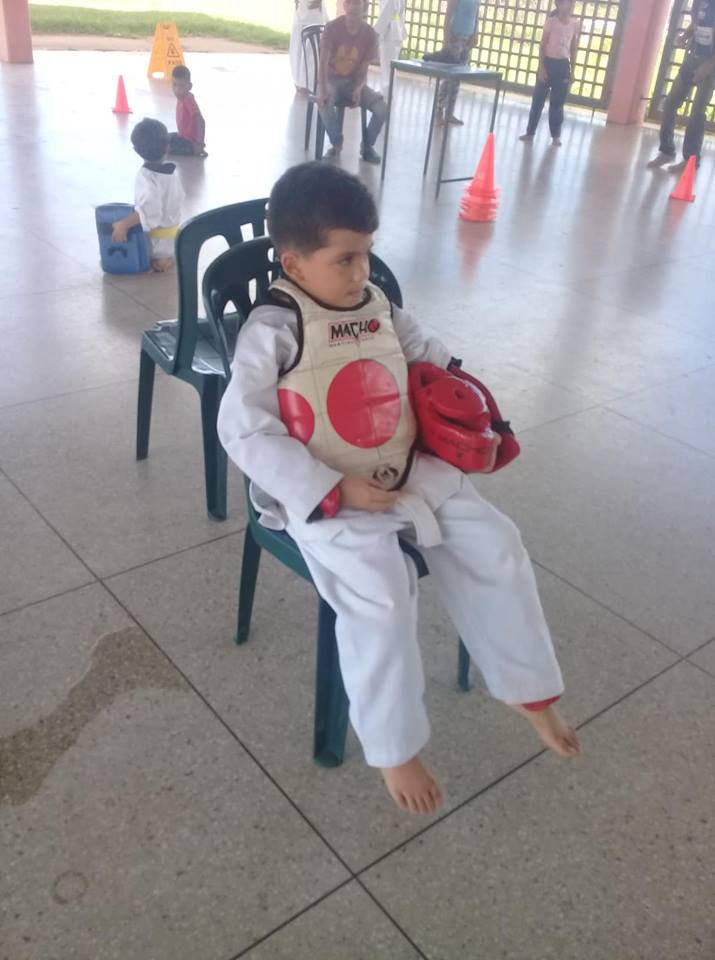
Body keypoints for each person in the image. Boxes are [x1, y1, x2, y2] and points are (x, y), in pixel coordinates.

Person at [217, 162, 580, 816]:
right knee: (383, 594)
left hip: (406, 466)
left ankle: (530, 693)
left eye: (367, 254)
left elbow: (432, 358)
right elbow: (242, 431)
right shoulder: (274, 329)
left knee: (498, 543)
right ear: (294, 265)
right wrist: (333, 487)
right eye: (345, 259)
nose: (361, 272)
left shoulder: (378, 306)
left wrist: (470, 411)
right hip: (327, 492)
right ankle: (394, 748)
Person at [647, 0, 715, 172]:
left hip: (711, 65)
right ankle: (666, 151)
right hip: (692, 58)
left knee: (697, 113)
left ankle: (691, 160)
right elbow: (697, 23)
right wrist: (685, 36)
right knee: (670, 103)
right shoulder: (699, 3)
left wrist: (707, 68)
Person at [317, 0, 387, 164]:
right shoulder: (332, 28)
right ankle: (336, 143)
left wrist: (358, 88)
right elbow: (322, 63)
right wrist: (323, 90)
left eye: (357, 3)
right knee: (324, 102)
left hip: (353, 83)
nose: (353, 6)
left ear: (364, 6)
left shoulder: (370, 34)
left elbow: (364, 70)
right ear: (344, 5)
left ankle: (367, 146)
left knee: (381, 108)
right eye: (349, 2)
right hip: (331, 80)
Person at [111, 118, 183, 273]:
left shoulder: (146, 177)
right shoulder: (171, 174)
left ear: (136, 150)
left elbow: (149, 212)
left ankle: (160, 259)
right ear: (167, 147)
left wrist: (123, 225)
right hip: (173, 239)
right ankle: (167, 257)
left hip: (156, 245)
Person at [519, 0, 580, 147]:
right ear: (558, 4)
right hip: (548, 63)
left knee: (557, 104)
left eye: (571, 3)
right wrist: (541, 68)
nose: (569, 6)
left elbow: (573, 48)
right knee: (538, 100)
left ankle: (555, 136)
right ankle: (530, 133)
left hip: (563, 66)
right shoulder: (551, 22)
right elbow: (542, 46)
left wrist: (572, 70)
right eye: (565, 3)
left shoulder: (574, 24)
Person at [434, 0, 481, 126]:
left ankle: (449, 113)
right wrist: (446, 38)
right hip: (455, 37)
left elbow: (476, 16)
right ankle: (439, 111)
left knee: (457, 78)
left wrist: (475, 34)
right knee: (448, 76)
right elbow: (449, 14)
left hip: (467, 38)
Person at [168, 65, 207, 158]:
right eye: (174, 85)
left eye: (181, 86)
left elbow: (200, 120)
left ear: (189, 86)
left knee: (166, 148)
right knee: (163, 138)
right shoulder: (182, 98)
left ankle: (194, 149)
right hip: (182, 136)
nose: (177, 90)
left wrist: (200, 143)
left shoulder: (188, 100)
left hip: (189, 141)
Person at [290, 0, 328, 95]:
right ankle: (300, 82)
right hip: (300, 15)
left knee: (310, 53)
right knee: (298, 51)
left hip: (313, 15)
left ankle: (308, 83)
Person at [375, 0, 407, 96]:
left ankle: (387, 92)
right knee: (387, 66)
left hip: (391, 31)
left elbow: (388, 12)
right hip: (394, 29)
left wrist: (376, 32)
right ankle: (387, 91)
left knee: (387, 66)